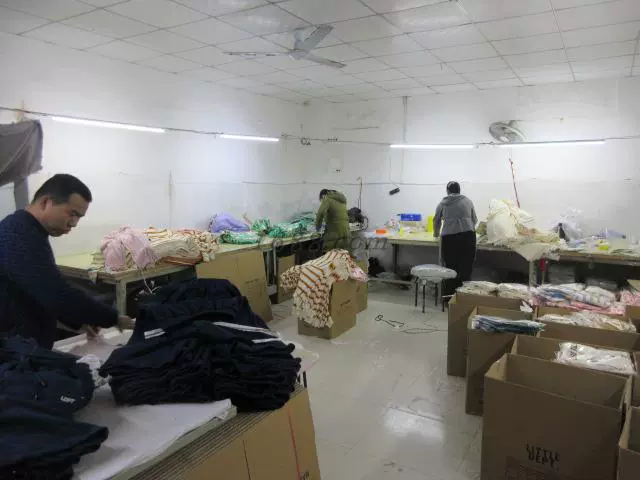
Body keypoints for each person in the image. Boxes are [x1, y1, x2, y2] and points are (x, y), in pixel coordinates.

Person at [0, 173, 134, 349]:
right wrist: (113, 318)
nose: (74, 223)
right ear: (46, 202)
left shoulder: (29, 231)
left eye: (78, 217)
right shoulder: (18, 235)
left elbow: (37, 291)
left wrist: (78, 321)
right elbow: (55, 293)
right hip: (13, 350)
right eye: (72, 214)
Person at [434, 181, 478, 297]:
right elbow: (474, 219)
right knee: (466, 266)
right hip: (468, 236)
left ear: (448, 191)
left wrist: (436, 234)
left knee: (450, 268)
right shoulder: (468, 201)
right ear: (459, 190)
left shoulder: (443, 203)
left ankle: (449, 298)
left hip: (449, 238)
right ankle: (464, 298)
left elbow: (436, 220)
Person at [315, 189, 351, 253]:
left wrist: (317, 227)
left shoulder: (327, 199)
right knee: (342, 255)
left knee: (328, 254)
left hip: (335, 233)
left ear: (323, 196)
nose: (322, 202)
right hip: (346, 233)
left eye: (321, 200)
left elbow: (320, 213)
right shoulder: (342, 201)